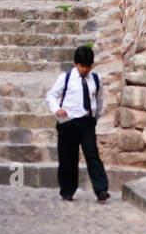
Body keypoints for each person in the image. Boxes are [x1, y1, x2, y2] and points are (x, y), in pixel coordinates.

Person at [45, 46, 110, 202]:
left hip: (87, 122)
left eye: (88, 66)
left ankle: (101, 189)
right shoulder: (66, 78)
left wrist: (96, 116)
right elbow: (51, 95)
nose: (85, 70)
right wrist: (57, 109)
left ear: (92, 65)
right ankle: (67, 191)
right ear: (75, 64)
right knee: (68, 158)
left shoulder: (95, 79)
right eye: (82, 66)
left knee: (92, 154)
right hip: (68, 122)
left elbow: (99, 100)